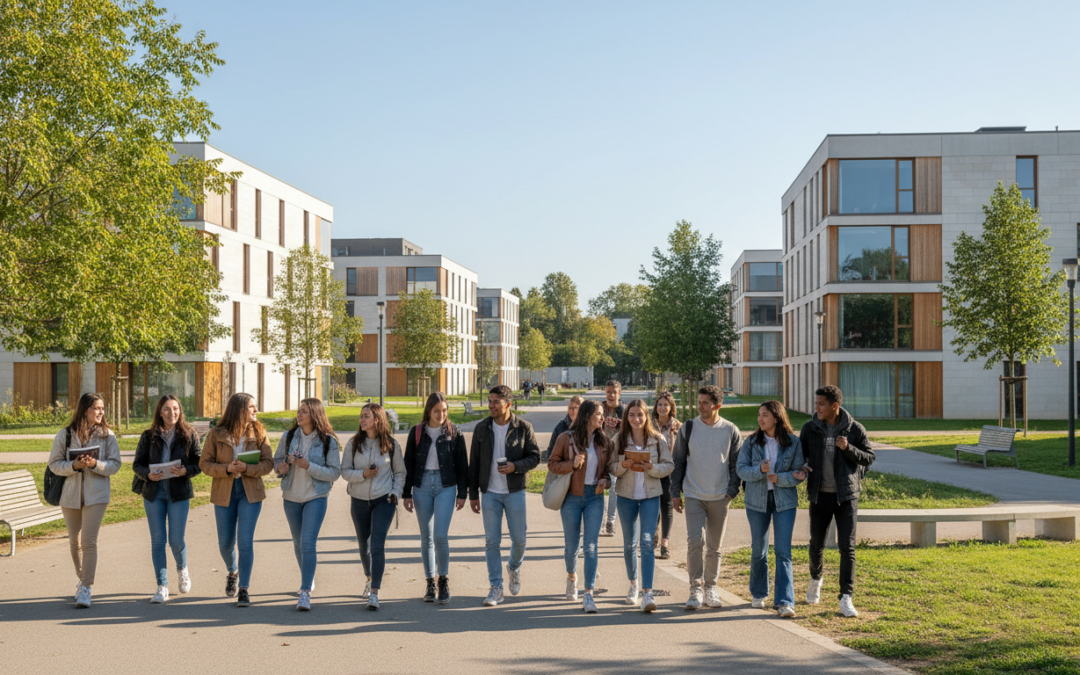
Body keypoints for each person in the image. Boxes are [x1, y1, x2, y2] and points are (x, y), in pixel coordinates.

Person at [800, 385, 875, 618]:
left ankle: (846, 597)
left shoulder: (854, 429)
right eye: (816, 403)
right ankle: (816, 579)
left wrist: (848, 448)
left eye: (821, 404)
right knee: (816, 544)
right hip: (819, 495)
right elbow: (798, 455)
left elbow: (869, 457)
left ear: (835, 406)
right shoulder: (810, 428)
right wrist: (801, 467)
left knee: (847, 548)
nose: (817, 408)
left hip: (847, 496)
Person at [670, 385, 742, 610]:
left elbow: (736, 464)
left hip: (720, 496)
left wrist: (732, 490)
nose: (700, 407)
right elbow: (678, 461)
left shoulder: (730, 430)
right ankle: (695, 588)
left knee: (714, 546)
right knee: (694, 541)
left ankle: (711, 587)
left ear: (717, 406)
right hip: (693, 494)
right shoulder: (688, 428)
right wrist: (675, 493)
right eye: (699, 402)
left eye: (705, 403)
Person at [469, 385, 541, 607]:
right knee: (492, 542)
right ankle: (496, 587)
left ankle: (513, 566)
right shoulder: (482, 428)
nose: (490, 405)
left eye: (495, 402)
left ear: (508, 404)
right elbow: (475, 463)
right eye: (489, 401)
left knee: (519, 540)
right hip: (490, 493)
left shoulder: (523, 427)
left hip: (514, 491)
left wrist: (515, 466)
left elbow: (535, 457)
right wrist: (473, 494)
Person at [48, 393, 122, 608]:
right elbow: (54, 465)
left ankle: (86, 588)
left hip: (96, 496)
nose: (101, 412)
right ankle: (82, 579)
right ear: (84, 410)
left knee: (88, 542)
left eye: (102, 408)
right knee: (74, 542)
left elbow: (115, 465)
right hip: (70, 496)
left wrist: (94, 464)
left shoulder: (108, 436)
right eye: (96, 408)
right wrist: (73, 466)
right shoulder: (65, 435)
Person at [200, 392, 273, 608]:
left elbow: (268, 463)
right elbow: (205, 464)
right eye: (252, 407)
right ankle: (232, 570)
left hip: (250, 491)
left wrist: (248, 468)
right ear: (239, 409)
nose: (255, 411)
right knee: (225, 543)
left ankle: (244, 588)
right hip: (225, 491)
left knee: (245, 541)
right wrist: (227, 468)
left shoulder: (259, 431)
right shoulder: (216, 434)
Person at [735, 401, 805, 617]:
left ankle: (785, 602)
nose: (760, 419)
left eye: (764, 415)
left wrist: (780, 478)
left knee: (783, 552)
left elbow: (799, 472)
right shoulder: (751, 442)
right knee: (759, 550)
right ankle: (758, 593)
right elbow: (741, 470)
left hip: (784, 502)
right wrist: (760, 470)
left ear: (776, 417)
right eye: (759, 415)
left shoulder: (793, 442)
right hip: (757, 501)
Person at [132, 395, 202, 604]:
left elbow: (200, 464)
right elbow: (137, 465)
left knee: (175, 540)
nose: (172, 413)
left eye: (175, 409)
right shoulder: (148, 436)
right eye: (167, 409)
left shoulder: (189, 434)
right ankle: (162, 586)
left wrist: (185, 471)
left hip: (178, 493)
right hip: (154, 494)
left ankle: (182, 569)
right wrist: (147, 475)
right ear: (160, 412)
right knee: (157, 541)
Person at [273, 398, 341, 611]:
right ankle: (308, 577)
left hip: (316, 497)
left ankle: (304, 592)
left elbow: (334, 473)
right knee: (297, 542)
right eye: (298, 411)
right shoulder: (288, 436)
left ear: (315, 414)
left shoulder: (328, 441)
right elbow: (276, 463)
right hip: (291, 496)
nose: (299, 415)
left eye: (304, 411)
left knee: (308, 542)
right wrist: (284, 465)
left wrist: (308, 465)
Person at [402, 392, 468, 604]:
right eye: (437, 411)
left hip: (445, 486)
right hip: (421, 486)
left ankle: (443, 579)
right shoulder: (417, 432)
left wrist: (463, 493)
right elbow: (409, 463)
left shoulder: (454, 432)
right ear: (429, 411)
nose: (441, 415)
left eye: (444, 411)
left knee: (440, 535)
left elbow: (462, 464)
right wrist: (406, 493)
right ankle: (430, 582)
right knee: (426, 537)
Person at [609, 398, 673, 613]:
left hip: (650, 496)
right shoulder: (619, 439)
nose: (636, 419)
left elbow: (669, 466)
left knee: (646, 541)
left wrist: (652, 467)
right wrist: (622, 465)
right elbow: (611, 467)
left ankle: (648, 593)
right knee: (629, 544)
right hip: (626, 496)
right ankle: (633, 585)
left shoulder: (657, 439)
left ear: (647, 416)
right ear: (627, 417)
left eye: (640, 415)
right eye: (631, 415)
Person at [547, 399, 611, 613]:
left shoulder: (604, 441)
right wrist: (571, 464)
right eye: (599, 414)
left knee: (591, 546)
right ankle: (572, 577)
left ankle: (589, 593)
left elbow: (607, 471)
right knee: (571, 546)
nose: (602, 418)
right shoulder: (566, 438)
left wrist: (606, 481)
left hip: (595, 497)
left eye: (602, 414)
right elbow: (552, 463)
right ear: (587, 416)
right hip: (571, 498)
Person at [342, 403, 406, 610]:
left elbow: (400, 473)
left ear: (377, 419)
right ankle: (369, 578)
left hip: (383, 500)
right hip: (359, 499)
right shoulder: (353, 444)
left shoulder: (391, 445)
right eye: (361, 416)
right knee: (364, 544)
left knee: (377, 545)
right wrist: (363, 474)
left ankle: (375, 593)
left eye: (366, 416)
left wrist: (395, 493)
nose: (362, 420)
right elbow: (344, 472)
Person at [651, 392, 681, 560]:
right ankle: (653, 536)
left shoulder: (677, 426)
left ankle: (664, 544)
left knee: (667, 506)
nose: (662, 408)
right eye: (660, 404)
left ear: (671, 408)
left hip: (670, 471)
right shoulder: (649, 425)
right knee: (653, 505)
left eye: (666, 405)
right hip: (653, 470)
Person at [600, 380, 624, 536]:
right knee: (599, 486)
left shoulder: (623, 410)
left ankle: (610, 521)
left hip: (616, 454)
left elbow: (631, 427)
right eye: (609, 392)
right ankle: (600, 521)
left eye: (614, 392)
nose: (611, 395)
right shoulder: (600, 407)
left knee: (614, 488)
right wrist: (602, 422)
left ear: (619, 393)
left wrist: (619, 423)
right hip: (600, 452)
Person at [543, 395, 584, 462]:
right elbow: (551, 450)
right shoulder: (561, 427)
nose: (571, 411)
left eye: (575, 408)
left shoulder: (588, 426)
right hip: (565, 468)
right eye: (570, 408)